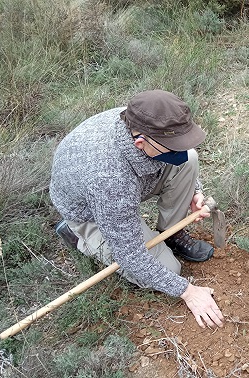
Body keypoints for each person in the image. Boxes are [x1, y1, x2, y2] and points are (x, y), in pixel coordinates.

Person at [50, 89, 224, 329]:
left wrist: (194, 192)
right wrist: (188, 291)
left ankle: (171, 233)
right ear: (140, 142)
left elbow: (179, 159)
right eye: (174, 147)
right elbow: (130, 255)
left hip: (127, 185)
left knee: (190, 158)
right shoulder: (109, 179)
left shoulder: (143, 120)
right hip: (91, 212)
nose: (179, 151)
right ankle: (78, 235)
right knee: (170, 269)